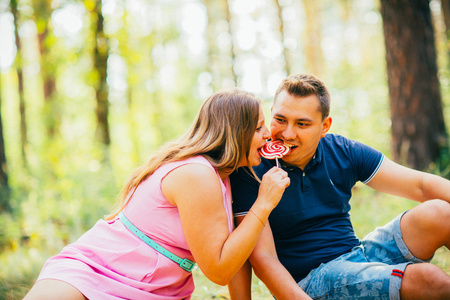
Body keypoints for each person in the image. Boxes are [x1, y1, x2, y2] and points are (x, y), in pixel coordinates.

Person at [24, 89, 291, 300]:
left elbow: (230, 252)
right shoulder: (196, 173)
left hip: (151, 290)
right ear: (235, 133)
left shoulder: (224, 175)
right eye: (258, 128)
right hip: (93, 273)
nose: (268, 134)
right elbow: (219, 270)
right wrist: (264, 203)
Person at [229, 73, 450, 300]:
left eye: (302, 124)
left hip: (358, 256)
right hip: (312, 281)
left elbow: (421, 186)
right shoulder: (251, 169)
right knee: (429, 280)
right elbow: (264, 259)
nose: (287, 134)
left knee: (441, 213)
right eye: (280, 119)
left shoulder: (341, 150)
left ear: (324, 126)